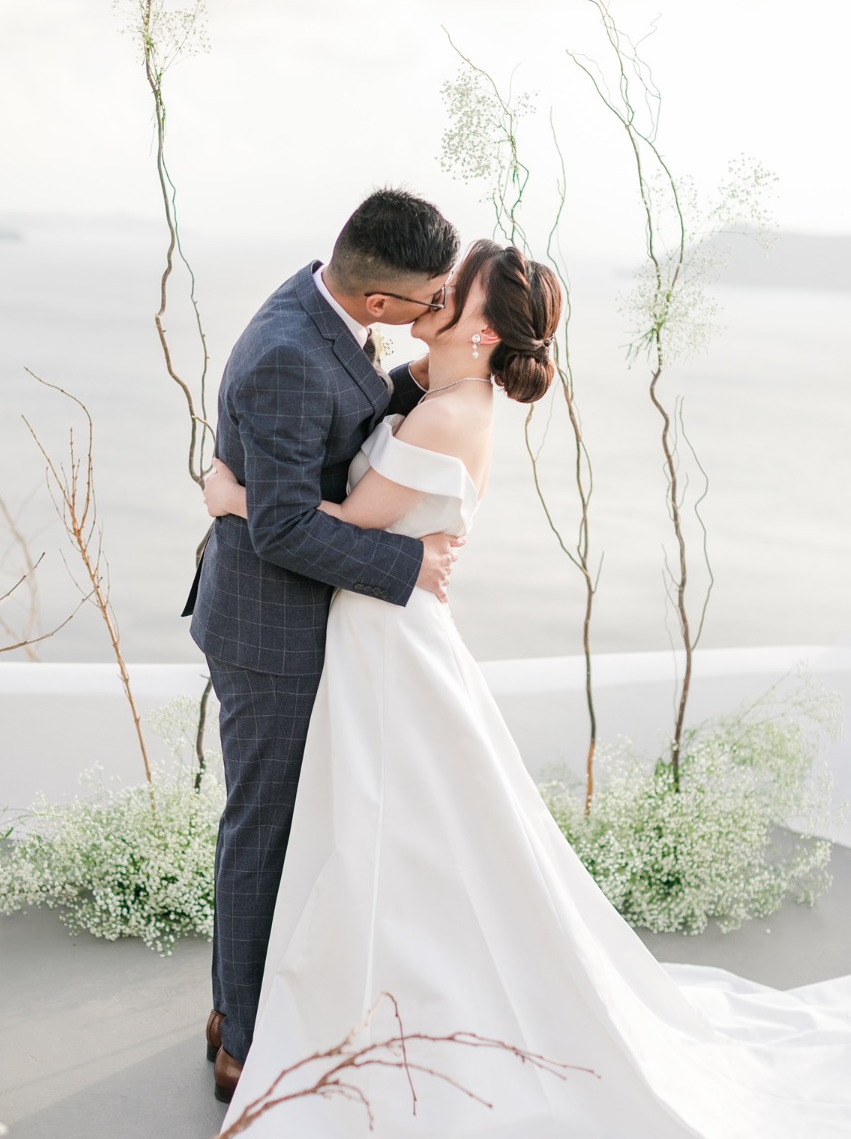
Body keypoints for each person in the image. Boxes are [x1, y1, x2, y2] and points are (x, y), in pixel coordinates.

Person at [206, 238, 851, 1138]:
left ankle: (368, 1003)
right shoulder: (433, 389)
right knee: (375, 826)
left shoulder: (450, 414)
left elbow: (343, 521)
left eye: (450, 293)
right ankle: (313, 997)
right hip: (376, 635)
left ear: (478, 329)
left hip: (387, 642)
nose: (431, 299)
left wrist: (232, 495)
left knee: (391, 830)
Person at [184, 188, 463, 1102]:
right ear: (381, 303)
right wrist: (406, 559)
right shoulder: (286, 355)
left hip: (298, 617)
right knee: (262, 829)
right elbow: (285, 529)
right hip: (269, 628)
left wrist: (425, 381)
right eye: (432, 297)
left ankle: (247, 1005)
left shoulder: (328, 307)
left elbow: (337, 417)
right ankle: (242, 1040)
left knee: (288, 825)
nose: (441, 304)